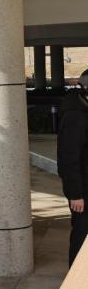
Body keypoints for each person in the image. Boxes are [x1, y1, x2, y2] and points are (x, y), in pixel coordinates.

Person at [57, 69, 88, 266]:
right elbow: (68, 158)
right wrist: (75, 194)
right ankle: (77, 278)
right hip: (82, 190)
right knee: (82, 235)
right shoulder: (76, 116)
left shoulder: (83, 108)